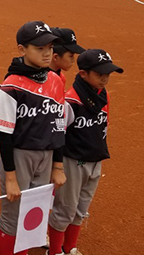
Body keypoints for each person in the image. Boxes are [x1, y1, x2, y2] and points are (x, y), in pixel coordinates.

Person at [0, 21, 67, 255]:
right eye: (40, 47)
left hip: (47, 155)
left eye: (50, 47)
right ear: (22, 50)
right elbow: (4, 134)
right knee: (12, 217)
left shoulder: (54, 80)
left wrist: (58, 165)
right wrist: (10, 177)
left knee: (35, 213)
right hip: (19, 156)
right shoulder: (10, 87)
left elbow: (59, 124)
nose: (47, 52)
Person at [47, 49, 123, 255]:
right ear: (83, 74)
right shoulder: (71, 101)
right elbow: (58, 136)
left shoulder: (102, 95)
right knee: (65, 210)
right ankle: (54, 251)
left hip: (95, 160)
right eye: (100, 74)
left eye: (108, 74)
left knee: (80, 210)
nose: (105, 78)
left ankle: (69, 247)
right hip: (73, 162)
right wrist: (58, 166)